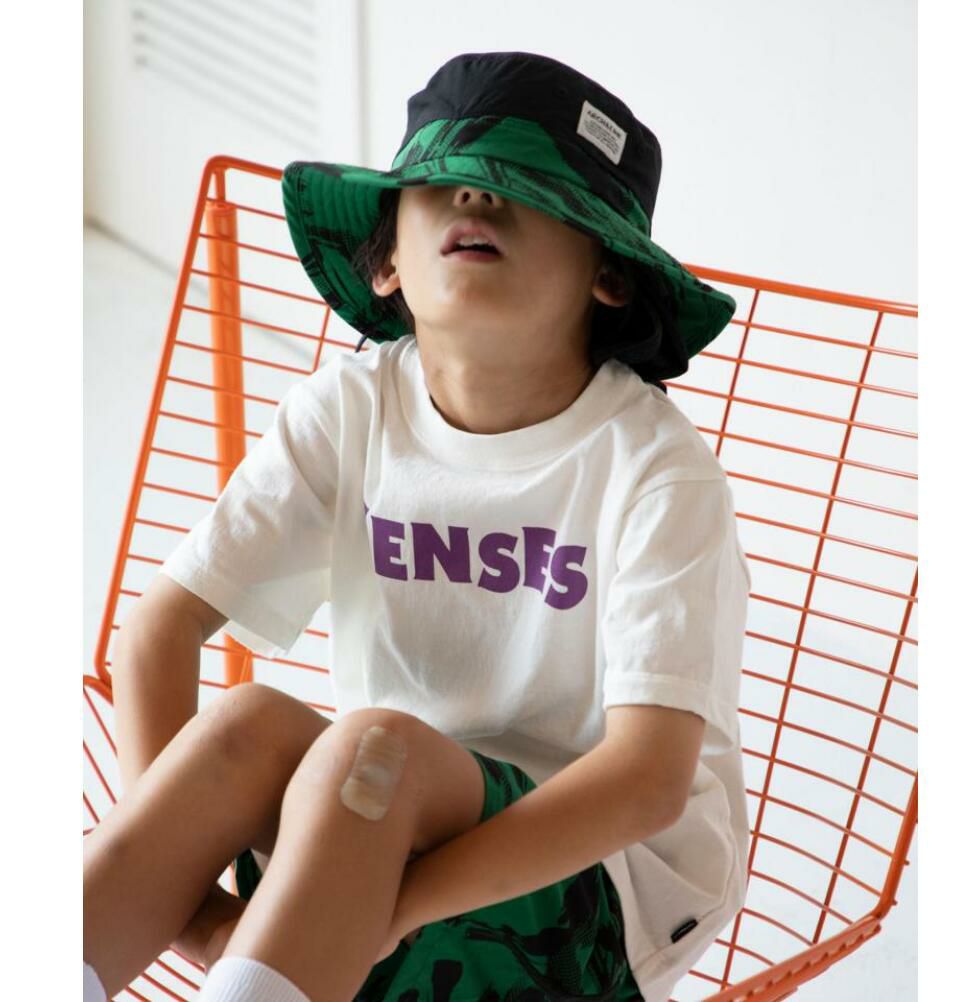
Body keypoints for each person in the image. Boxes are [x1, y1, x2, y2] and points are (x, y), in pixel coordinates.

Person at [84, 50, 752, 1002]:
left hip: (601, 894)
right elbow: (159, 630)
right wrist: (192, 908)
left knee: (370, 750)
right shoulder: (351, 409)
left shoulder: (653, 470)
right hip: (371, 821)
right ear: (389, 261)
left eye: (522, 189)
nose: (474, 201)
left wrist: (388, 915)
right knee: (249, 724)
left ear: (607, 274)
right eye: (441, 185)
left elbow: (645, 783)